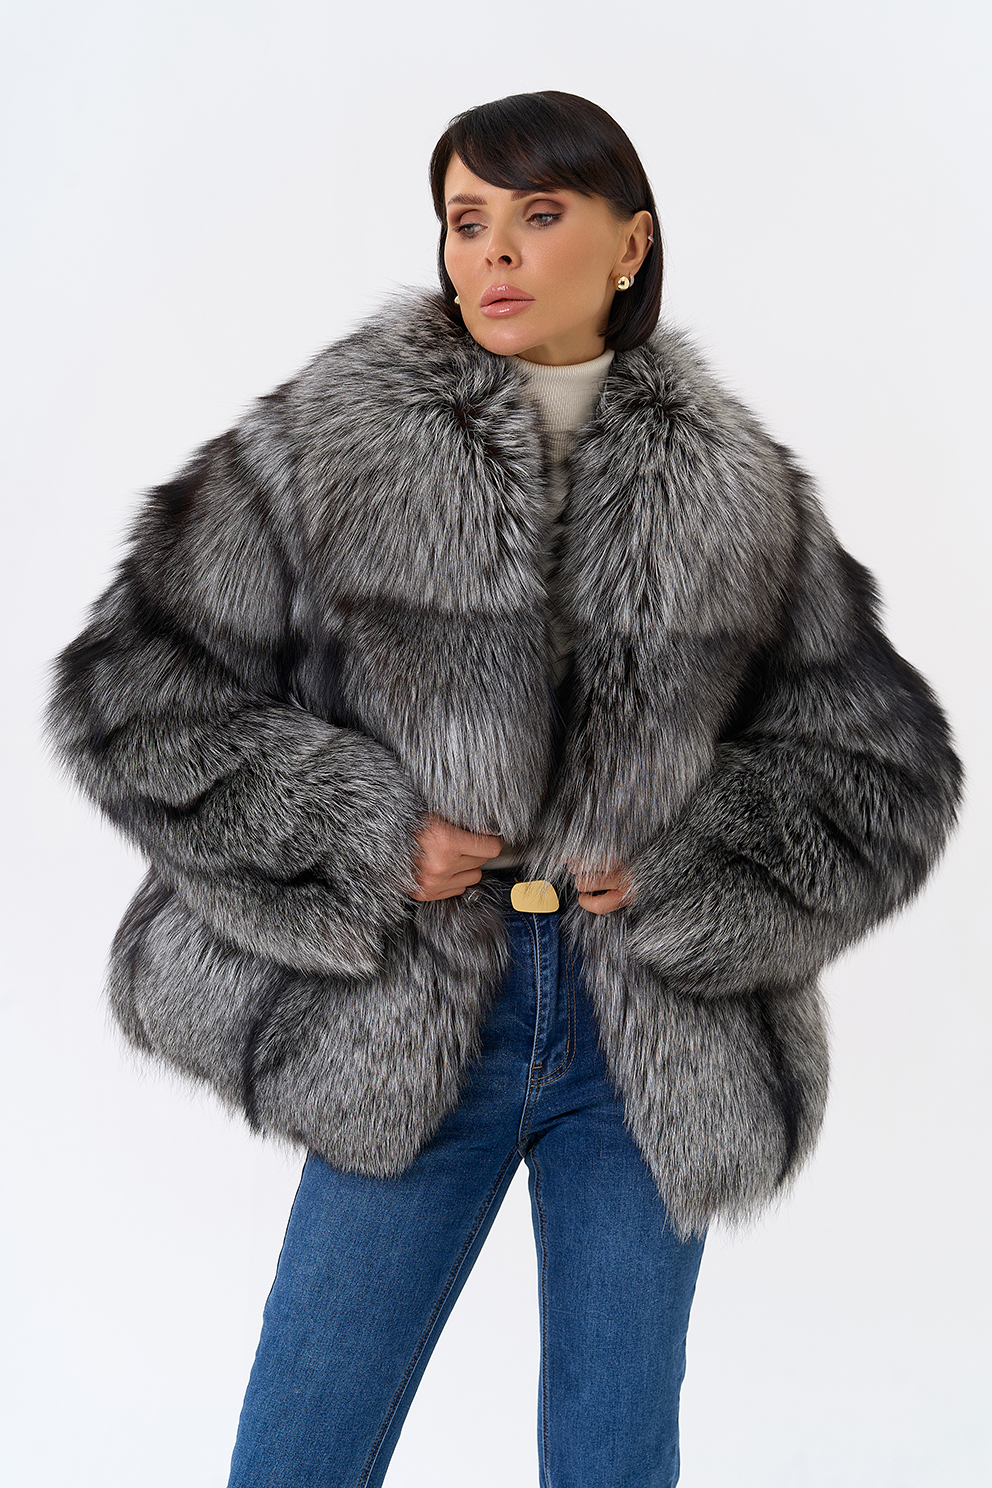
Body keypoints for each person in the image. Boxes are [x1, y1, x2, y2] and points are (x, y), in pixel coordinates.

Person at [44, 91, 962, 1487]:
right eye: (466, 221)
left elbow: (884, 768)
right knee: (302, 1449)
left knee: (615, 1459)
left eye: (539, 214)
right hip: (409, 1009)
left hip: (647, 1033)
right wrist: (360, 834)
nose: (495, 254)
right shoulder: (328, 443)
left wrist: (690, 871)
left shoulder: (743, 491)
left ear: (631, 243)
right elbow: (130, 692)